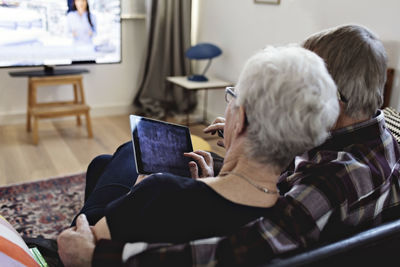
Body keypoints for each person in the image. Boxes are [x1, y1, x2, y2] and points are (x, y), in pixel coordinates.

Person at [57, 24, 400, 266]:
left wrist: (97, 257)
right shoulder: (381, 143)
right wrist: (223, 173)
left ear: (333, 102)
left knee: (129, 164)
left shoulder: (333, 179)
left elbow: (239, 251)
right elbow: (281, 186)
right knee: (105, 163)